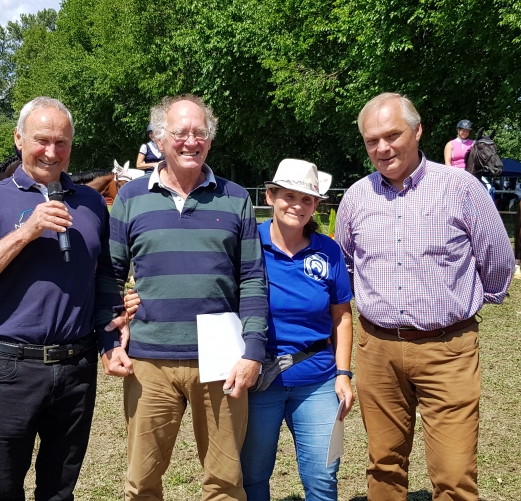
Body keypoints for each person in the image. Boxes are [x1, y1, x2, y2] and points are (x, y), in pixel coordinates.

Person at [124, 158, 353, 500]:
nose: (297, 205)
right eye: (288, 195)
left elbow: (343, 316)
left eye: (307, 199)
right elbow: (205, 280)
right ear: (271, 196)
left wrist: (344, 372)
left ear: (317, 205)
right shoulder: (246, 239)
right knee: (251, 476)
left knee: (322, 478)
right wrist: (143, 299)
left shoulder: (328, 250)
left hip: (315, 375)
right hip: (256, 376)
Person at [335, 92, 513, 501]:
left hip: (447, 350)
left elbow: (498, 260)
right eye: (371, 141)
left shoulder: (462, 189)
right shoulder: (356, 198)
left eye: (392, 135)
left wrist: (459, 311)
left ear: (417, 131)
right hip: (376, 349)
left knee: (454, 476)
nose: (382, 148)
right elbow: (343, 264)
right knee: (383, 466)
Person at [0, 96, 129, 501]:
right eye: (41, 140)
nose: (51, 151)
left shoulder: (90, 203)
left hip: (77, 368)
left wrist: (112, 331)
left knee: (59, 491)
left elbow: (104, 276)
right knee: (0, 489)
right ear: (18, 139)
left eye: (61, 142)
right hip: (13, 368)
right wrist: (26, 231)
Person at [107, 94, 268, 500]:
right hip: (149, 361)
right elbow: (108, 276)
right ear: (160, 139)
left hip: (221, 361)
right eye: (180, 132)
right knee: (142, 481)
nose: (190, 141)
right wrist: (109, 340)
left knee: (225, 481)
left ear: (210, 141)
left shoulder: (235, 198)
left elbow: (251, 278)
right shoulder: (130, 198)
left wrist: (253, 351)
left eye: (200, 133)